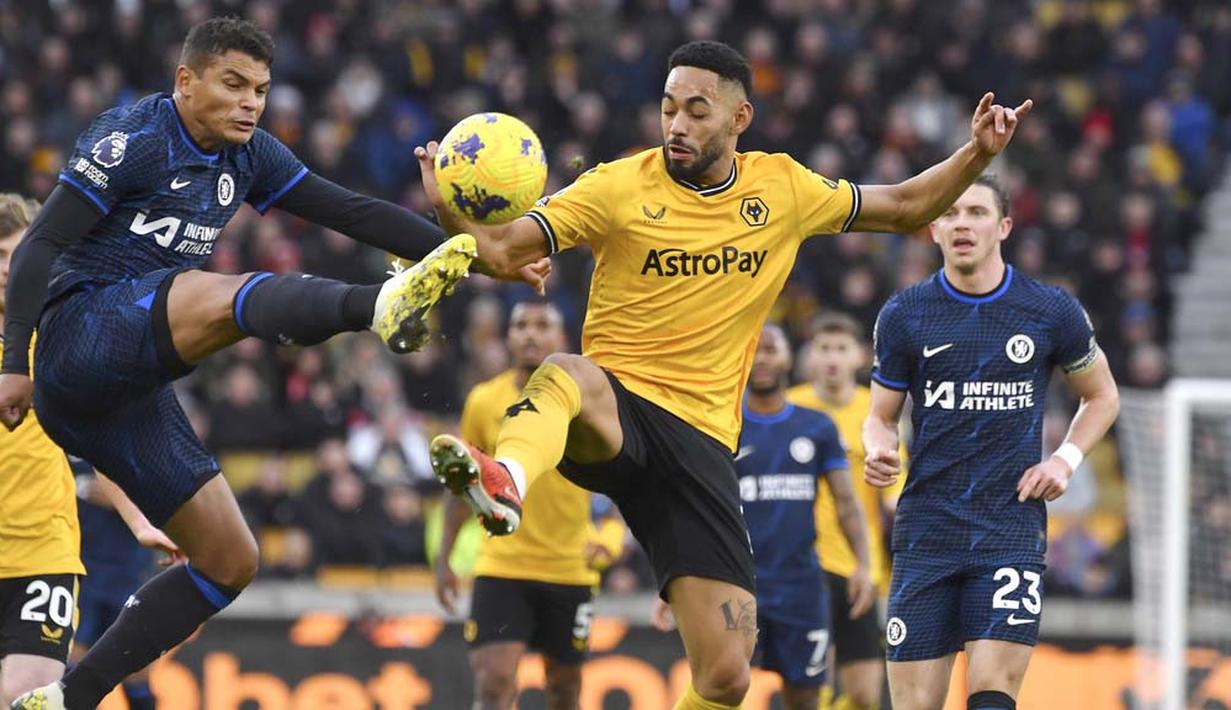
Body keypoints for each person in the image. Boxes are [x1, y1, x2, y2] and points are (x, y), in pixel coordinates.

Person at [421, 40, 1031, 709]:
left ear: (739, 119)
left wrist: (977, 154)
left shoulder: (784, 189)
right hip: (618, 411)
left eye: (696, 110)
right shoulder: (615, 186)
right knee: (567, 371)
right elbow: (501, 250)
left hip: (703, 445)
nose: (676, 125)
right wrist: (449, 208)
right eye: (667, 108)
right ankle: (507, 475)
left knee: (726, 677)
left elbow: (907, 207)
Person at [2, 18, 544, 710]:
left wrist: (482, 257)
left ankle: (68, 698)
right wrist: (15, 360)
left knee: (231, 561)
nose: (249, 103)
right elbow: (40, 243)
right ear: (185, 82)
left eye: (259, 89)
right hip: (76, 340)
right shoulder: (134, 139)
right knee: (215, 294)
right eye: (233, 85)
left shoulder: (251, 155)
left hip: (127, 390)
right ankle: (375, 305)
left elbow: (351, 212)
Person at [862, 175, 1120, 710]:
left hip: (1009, 526)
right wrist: (879, 448)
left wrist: (1065, 460)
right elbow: (880, 417)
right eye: (950, 213)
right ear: (933, 229)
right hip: (927, 530)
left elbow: (1102, 396)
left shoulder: (1050, 311)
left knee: (992, 694)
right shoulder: (905, 314)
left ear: (1003, 226)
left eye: (976, 212)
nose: (962, 223)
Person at [0, 195, 179, 707]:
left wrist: (140, 521)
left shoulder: (61, 341)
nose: (9, 268)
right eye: (0, 255)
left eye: (19, 253)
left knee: (23, 698)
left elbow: (99, 441)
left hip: (43, 555)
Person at [652, 323, 873, 710]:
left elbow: (845, 501)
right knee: (723, 686)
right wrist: (674, 580)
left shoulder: (816, 426)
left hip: (802, 586)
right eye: (754, 351)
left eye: (771, 350)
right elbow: (689, 505)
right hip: (735, 585)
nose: (762, 360)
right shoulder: (720, 424)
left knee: (806, 697)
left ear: (789, 357)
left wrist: (864, 565)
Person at [435, 300, 624, 710]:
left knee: (564, 690)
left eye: (542, 325)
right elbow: (463, 481)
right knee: (494, 683)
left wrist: (611, 534)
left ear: (561, 337)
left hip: (569, 568)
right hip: (502, 566)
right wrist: (443, 559)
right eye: (521, 325)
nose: (530, 334)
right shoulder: (484, 401)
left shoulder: (585, 402)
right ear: (508, 337)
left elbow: (618, 478)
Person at [787, 312, 904, 710]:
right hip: (804, 563)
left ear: (860, 356)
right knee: (812, 683)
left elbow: (895, 488)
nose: (832, 358)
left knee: (865, 695)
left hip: (860, 567)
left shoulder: (877, 412)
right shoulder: (790, 407)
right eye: (824, 348)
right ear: (809, 356)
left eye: (841, 348)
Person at [72, 467, 186, 710]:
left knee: (134, 668)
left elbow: (170, 496)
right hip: (80, 570)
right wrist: (77, 487)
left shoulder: (138, 451)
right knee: (72, 668)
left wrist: (121, 499)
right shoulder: (67, 446)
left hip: (129, 574)